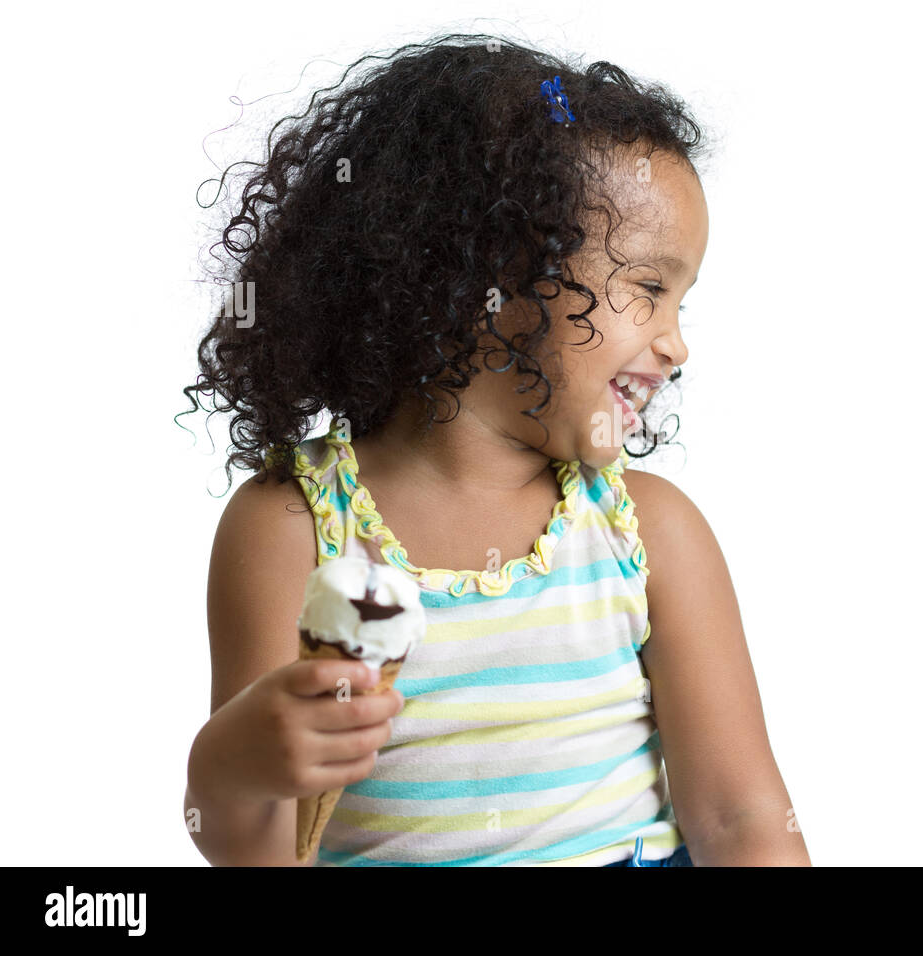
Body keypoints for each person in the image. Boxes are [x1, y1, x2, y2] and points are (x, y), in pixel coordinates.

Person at [179, 33, 810, 867]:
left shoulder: (646, 529)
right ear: (499, 274)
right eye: (651, 291)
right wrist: (231, 770)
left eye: (680, 303)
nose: (675, 344)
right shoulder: (290, 526)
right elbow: (258, 855)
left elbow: (740, 817)